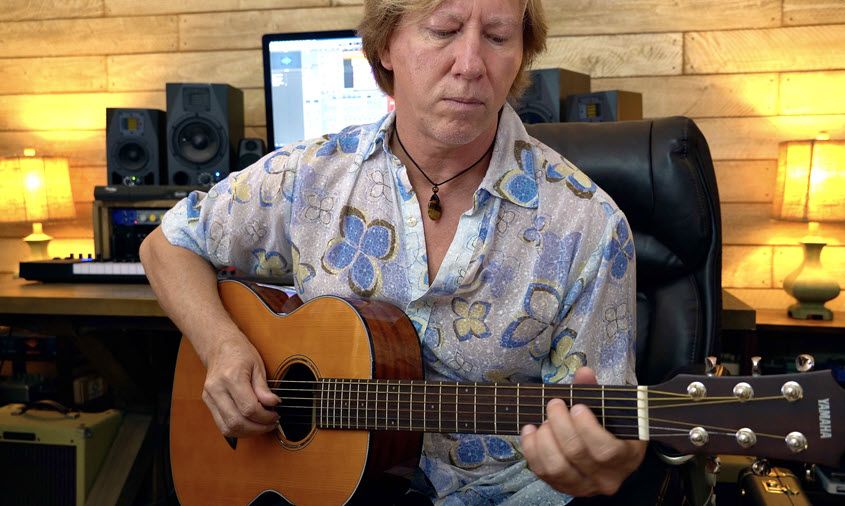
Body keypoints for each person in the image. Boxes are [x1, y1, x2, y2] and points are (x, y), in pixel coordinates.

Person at [140, 0, 646, 503]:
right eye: (443, 30)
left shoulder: (590, 226)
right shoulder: (310, 176)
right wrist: (223, 346)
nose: (471, 65)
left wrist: (610, 458)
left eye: (497, 37)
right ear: (385, 47)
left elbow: (603, 426)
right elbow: (168, 243)